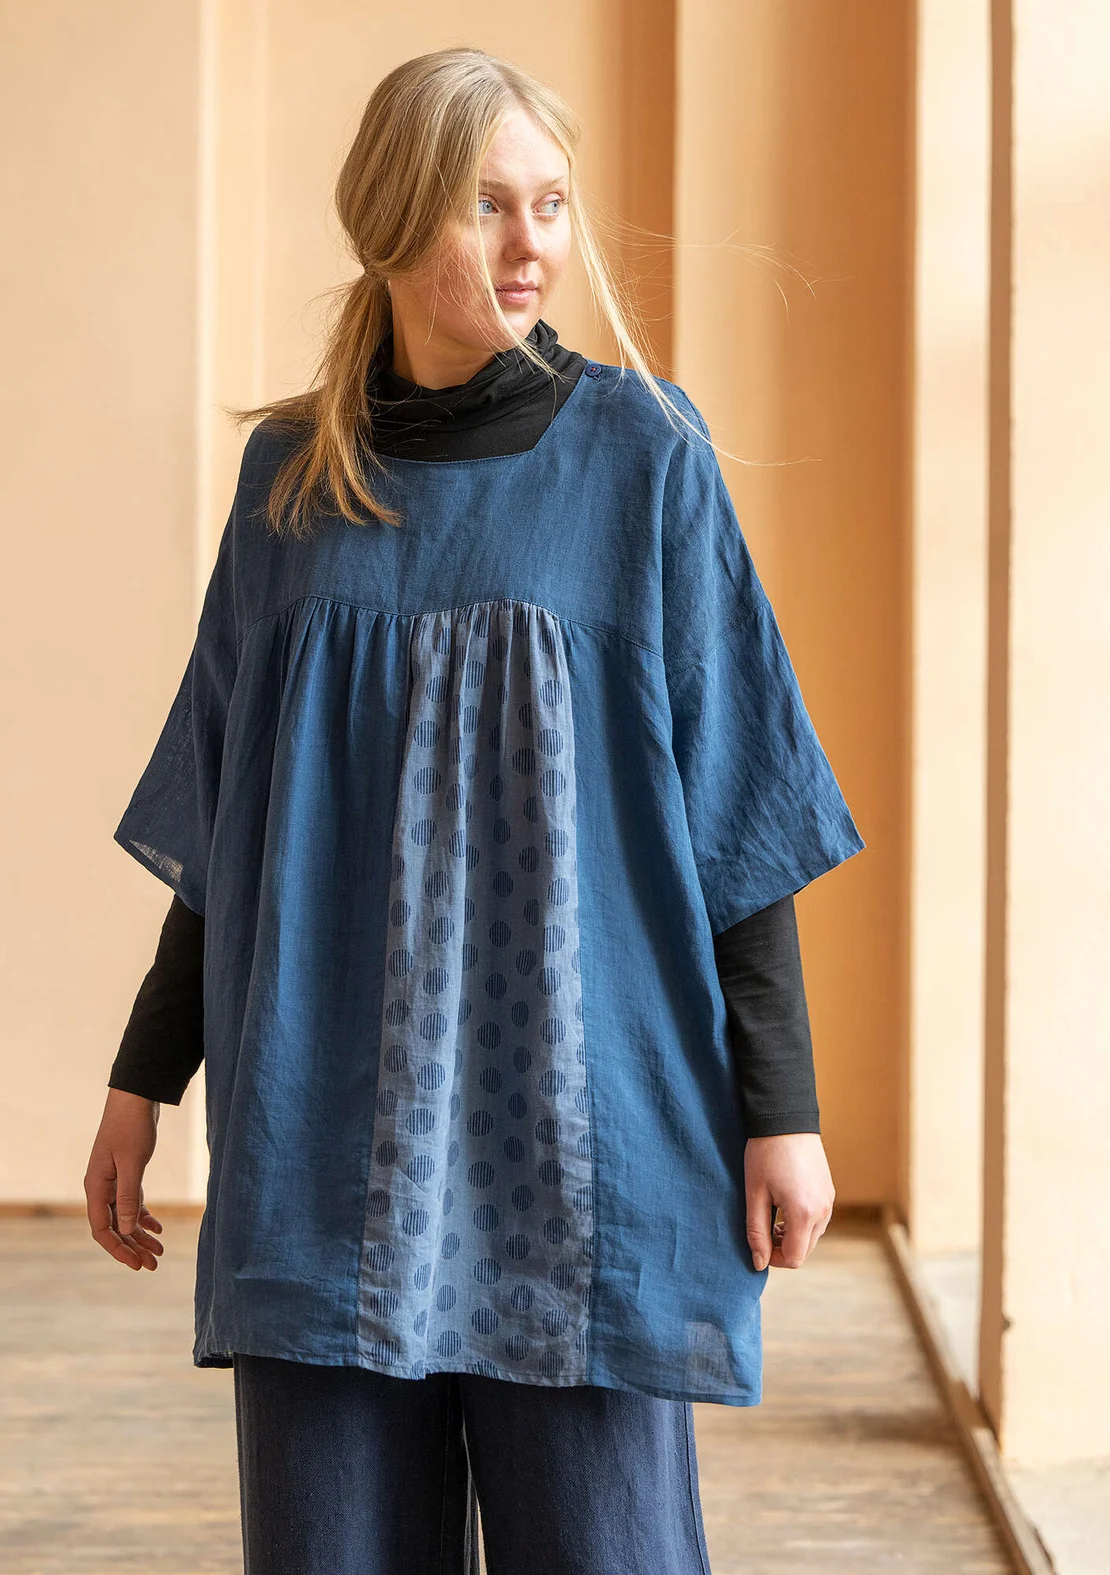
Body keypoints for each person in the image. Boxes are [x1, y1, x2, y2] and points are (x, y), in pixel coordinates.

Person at [84, 47, 865, 1575]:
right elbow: (228, 817)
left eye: (550, 204)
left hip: (584, 1144)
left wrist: (782, 1110)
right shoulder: (288, 482)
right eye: (485, 205)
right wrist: (141, 1077)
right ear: (388, 222)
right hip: (323, 1132)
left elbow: (740, 807)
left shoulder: (646, 458)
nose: (529, 245)